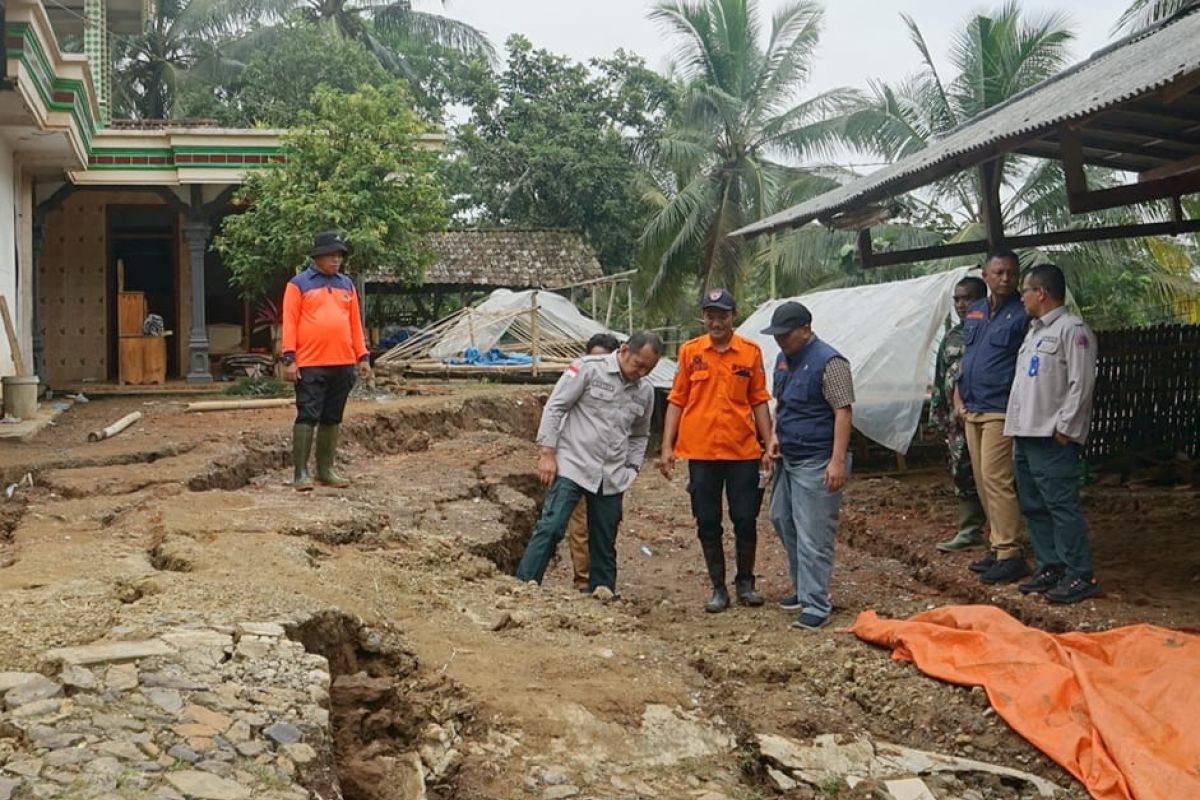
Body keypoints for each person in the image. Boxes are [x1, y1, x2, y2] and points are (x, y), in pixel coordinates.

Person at [514, 332, 662, 595]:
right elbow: (556, 406)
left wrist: (632, 467)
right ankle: (524, 585)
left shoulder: (646, 391)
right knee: (552, 526)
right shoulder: (588, 368)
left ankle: (602, 591)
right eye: (638, 364)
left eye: (648, 369)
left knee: (604, 538)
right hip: (574, 463)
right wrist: (547, 453)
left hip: (612, 474)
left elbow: (640, 434)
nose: (640, 372)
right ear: (625, 350)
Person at [660, 289, 773, 613]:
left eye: (722, 315)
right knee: (707, 520)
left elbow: (759, 400)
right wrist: (667, 446)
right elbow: (677, 401)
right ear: (704, 318)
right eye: (710, 315)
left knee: (745, 518)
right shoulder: (690, 352)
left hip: (742, 452)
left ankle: (746, 583)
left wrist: (768, 444)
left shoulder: (750, 353)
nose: (716, 321)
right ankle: (718, 588)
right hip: (702, 452)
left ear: (732, 316)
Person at [1006, 264, 1101, 604]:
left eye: (1025, 291)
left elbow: (1082, 382)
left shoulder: (1071, 330)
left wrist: (1066, 427)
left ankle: (1080, 573)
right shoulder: (1034, 332)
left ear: (1041, 293)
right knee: (1033, 505)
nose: (1022, 297)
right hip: (1026, 432)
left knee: (1061, 505)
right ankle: (1051, 566)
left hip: (1051, 435)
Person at [763, 302, 854, 630]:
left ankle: (817, 604)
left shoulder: (830, 362)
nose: (780, 341)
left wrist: (837, 461)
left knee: (814, 533)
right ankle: (803, 588)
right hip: (789, 455)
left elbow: (843, 412)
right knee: (782, 518)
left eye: (785, 335)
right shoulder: (783, 360)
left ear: (805, 328)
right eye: (777, 336)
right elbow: (782, 403)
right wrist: (774, 436)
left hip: (817, 459)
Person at [954, 250, 1031, 584]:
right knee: (983, 479)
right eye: (998, 272)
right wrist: (958, 396)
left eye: (1011, 273)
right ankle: (996, 543)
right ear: (985, 276)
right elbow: (967, 357)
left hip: (1000, 406)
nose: (1005, 278)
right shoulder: (976, 311)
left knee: (997, 479)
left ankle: (1010, 552)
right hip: (971, 405)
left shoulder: (1023, 313)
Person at [281, 231, 372, 491]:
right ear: (318, 256)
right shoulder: (298, 284)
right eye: (331, 255)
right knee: (307, 414)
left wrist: (362, 356)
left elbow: (355, 323)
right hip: (310, 362)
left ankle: (326, 470)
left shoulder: (347, 285)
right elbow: (290, 321)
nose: (336, 260)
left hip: (343, 362)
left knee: (332, 417)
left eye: (339, 255)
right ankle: (300, 473)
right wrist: (289, 357)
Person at [932, 276, 989, 552]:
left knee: (992, 474)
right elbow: (941, 376)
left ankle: (1001, 533)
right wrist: (939, 415)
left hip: (984, 415)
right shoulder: (953, 336)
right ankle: (969, 529)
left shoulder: (991, 330)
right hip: (957, 421)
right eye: (957, 299)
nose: (961, 304)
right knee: (962, 471)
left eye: (967, 298)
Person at [564, 332, 621, 591]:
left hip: (608, 470)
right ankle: (583, 581)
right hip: (576, 463)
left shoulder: (629, 389)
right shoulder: (577, 379)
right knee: (578, 526)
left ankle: (602, 583)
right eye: (593, 358)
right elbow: (558, 412)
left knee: (603, 528)